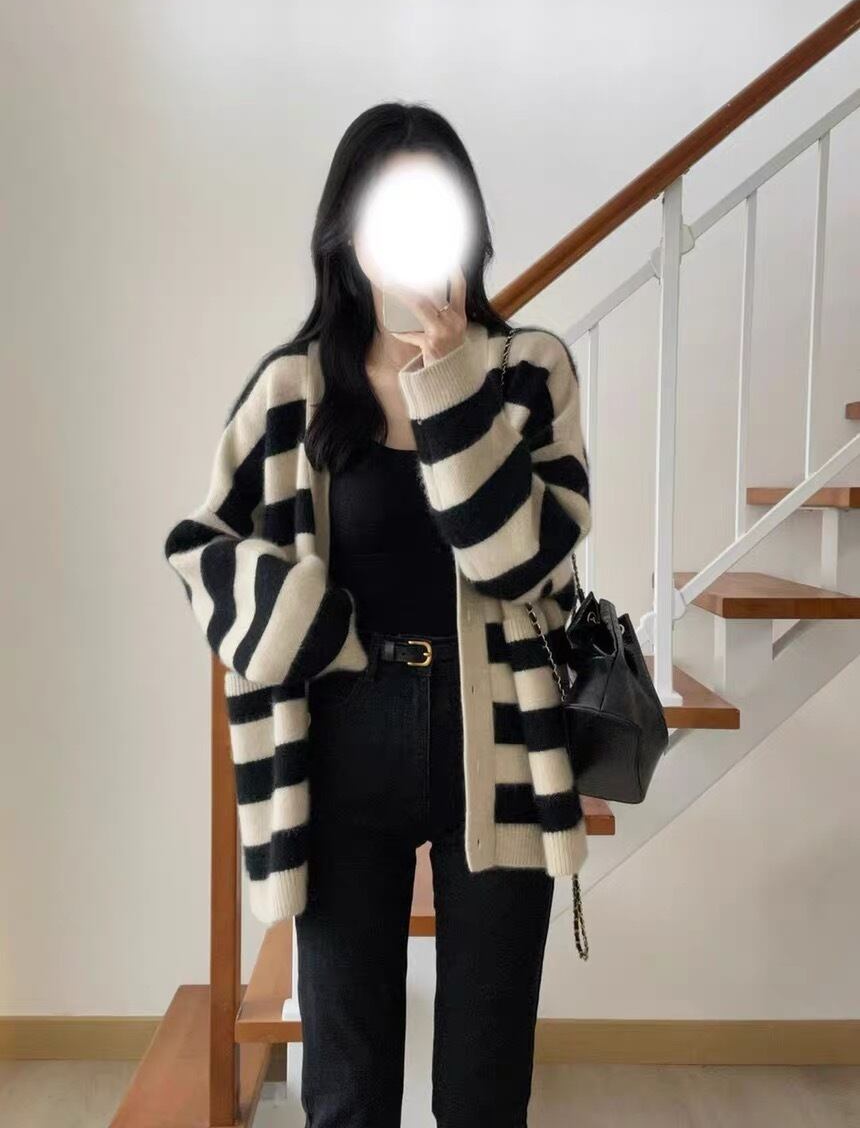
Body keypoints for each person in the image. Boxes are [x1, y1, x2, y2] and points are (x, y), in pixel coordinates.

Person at [163, 101, 591, 1128]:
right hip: (341, 738)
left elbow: (521, 561)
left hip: (499, 739)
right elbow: (199, 550)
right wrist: (310, 626)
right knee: (347, 1089)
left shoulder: (528, 370)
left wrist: (448, 383)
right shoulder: (295, 387)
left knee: (484, 1088)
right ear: (345, 234)